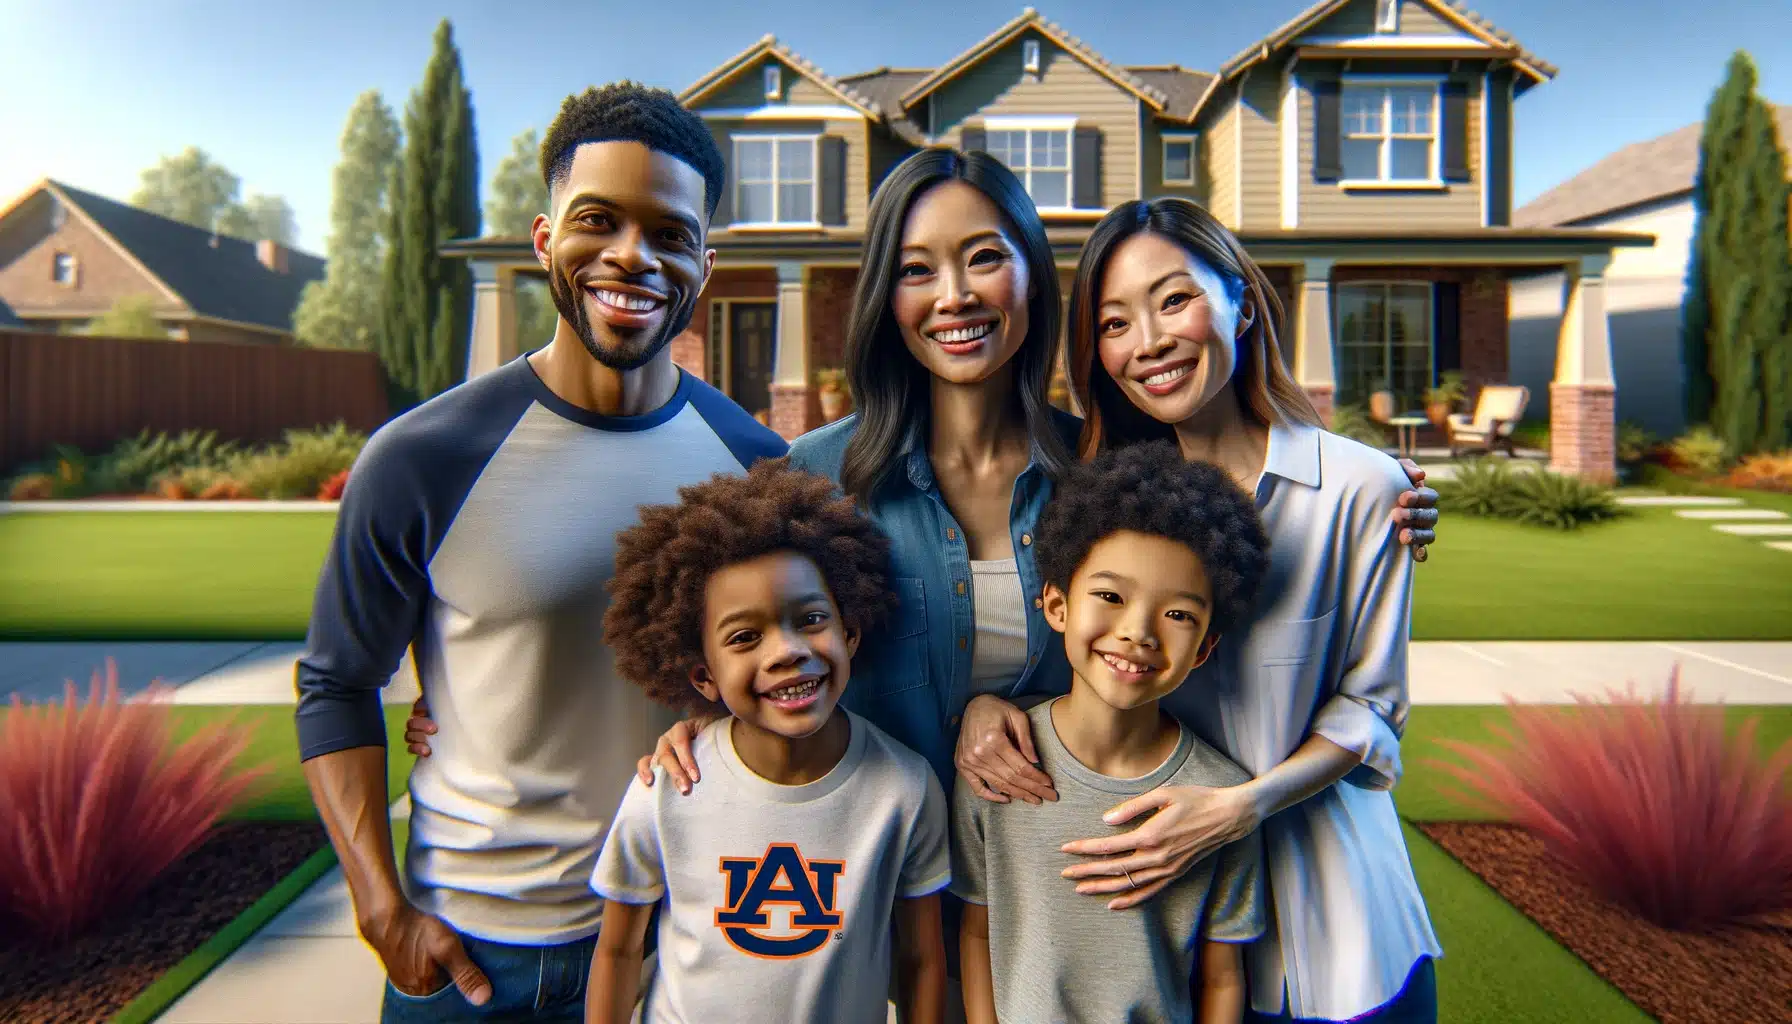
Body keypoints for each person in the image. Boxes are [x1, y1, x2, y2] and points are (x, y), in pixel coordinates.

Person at [405, 148, 1442, 1015]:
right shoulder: (809, 481)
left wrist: (1386, 497)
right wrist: (693, 722)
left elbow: (1196, 579)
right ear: (882, 297)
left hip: (1062, 907)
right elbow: (745, 640)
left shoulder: (1114, 482)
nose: (952, 296)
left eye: (983, 258)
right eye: (915, 268)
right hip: (862, 905)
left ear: (1032, 277)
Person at [293, 82, 786, 1024]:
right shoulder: (424, 458)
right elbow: (335, 685)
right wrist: (379, 905)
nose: (632, 256)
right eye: (597, 220)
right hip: (473, 962)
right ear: (543, 239)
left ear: (705, 266)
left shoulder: (756, 468)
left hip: (679, 950)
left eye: (670, 234)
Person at [1001, 196, 1442, 1023]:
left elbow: (1373, 710)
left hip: (1338, 935)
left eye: (1175, 299)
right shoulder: (1103, 506)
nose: (1151, 342)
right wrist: (991, 709)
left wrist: (1241, 807)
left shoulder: (1364, 490)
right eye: (1114, 322)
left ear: (1241, 301)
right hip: (1168, 943)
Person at [585, 459, 949, 1024]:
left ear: (849, 633)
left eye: (810, 619)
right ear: (703, 676)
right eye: (745, 637)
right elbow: (618, 950)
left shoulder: (904, 789)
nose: (785, 652)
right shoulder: (665, 790)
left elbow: (922, 959)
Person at [954, 442, 1272, 1024]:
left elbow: (1224, 976)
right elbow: (977, 932)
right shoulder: (996, 764)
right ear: (1056, 604)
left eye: (1178, 614)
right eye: (1110, 596)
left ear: (1204, 648)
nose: (1138, 633)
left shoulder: (1221, 797)